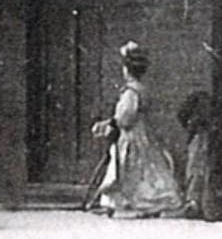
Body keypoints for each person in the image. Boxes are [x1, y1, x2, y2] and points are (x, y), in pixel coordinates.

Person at [91, 41, 184, 218]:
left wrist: (111, 123)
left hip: (133, 136)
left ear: (127, 70)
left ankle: (135, 203)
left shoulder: (131, 92)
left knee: (132, 168)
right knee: (147, 167)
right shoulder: (141, 90)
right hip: (144, 134)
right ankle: (140, 202)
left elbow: (125, 118)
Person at [176, 90, 212, 219]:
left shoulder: (197, 138)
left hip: (197, 141)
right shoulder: (207, 134)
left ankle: (194, 201)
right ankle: (197, 201)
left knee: (195, 170)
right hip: (204, 141)